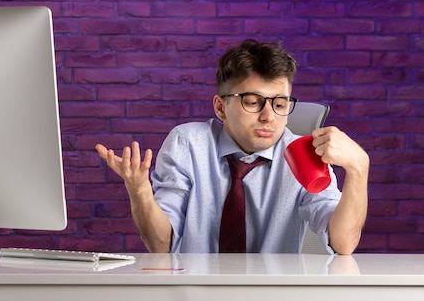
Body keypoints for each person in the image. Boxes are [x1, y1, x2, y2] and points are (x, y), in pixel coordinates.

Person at [96, 39, 369, 254]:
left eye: (280, 103)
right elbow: (161, 246)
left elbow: (342, 244)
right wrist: (140, 191)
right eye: (253, 102)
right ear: (220, 107)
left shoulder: (302, 154)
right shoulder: (187, 143)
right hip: (193, 294)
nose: (269, 116)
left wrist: (359, 169)